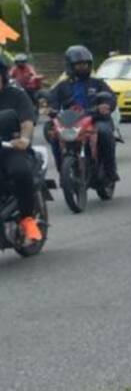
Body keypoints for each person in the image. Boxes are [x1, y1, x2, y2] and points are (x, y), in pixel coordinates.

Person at [48, 45, 118, 181]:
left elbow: (110, 96)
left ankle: (110, 170)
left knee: (104, 132)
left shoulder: (97, 83)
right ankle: (63, 172)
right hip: (71, 120)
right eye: (79, 65)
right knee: (54, 136)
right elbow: (52, 100)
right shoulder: (62, 86)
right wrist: (51, 108)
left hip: (95, 118)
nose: (83, 67)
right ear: (70, 66)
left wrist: (106, 105)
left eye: (85, 64)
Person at [0, 60, 43, 243]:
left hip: (10, 147)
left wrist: (24, 139)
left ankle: (28, 219)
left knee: (21, 172)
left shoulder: (16, 95)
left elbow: (27, 121)